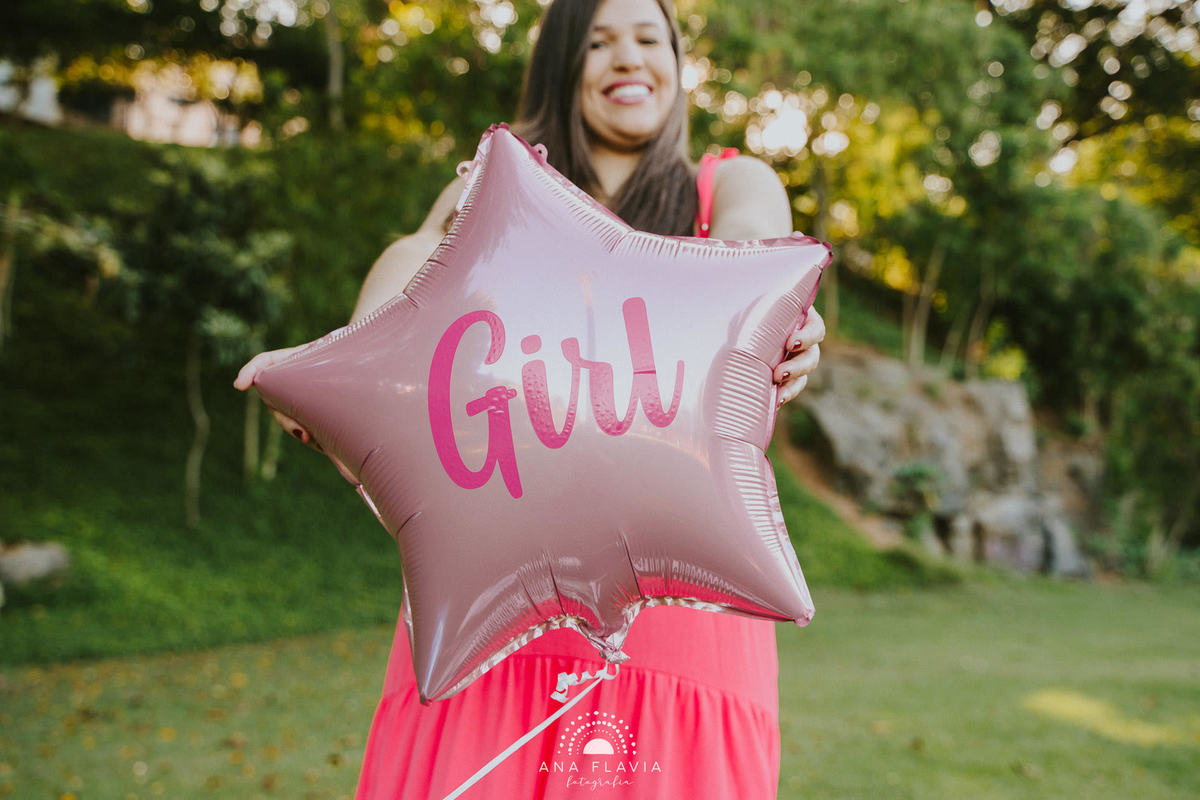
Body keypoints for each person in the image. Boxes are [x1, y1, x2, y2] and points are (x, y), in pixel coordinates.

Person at [235, 0, 826, 795]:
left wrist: (786, 318)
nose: (628, 59)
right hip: (493, 623)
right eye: (599, 42)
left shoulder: (730, 183)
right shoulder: (492, 192)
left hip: (685, 626)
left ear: (678, 66)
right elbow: (408, 272)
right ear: (560, 63)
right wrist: (332, 378)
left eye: (650, 40)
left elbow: (753, 260)